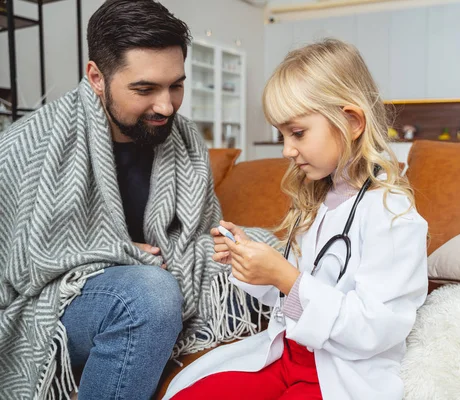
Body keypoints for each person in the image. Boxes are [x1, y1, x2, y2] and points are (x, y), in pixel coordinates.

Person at [0, 1, 276, 399]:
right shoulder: (28, 145)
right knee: (150, 294)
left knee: (277, 258)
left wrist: (235, 247)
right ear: (96, 76)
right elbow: (18, 266)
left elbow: (199, 237)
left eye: (176, 85)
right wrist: (114, 252)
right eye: (145, 89)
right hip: (65, 303)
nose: (166, 106)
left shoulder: (185, 140)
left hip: (161, 278)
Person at [164, 39, 429, 400]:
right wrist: (254, 263)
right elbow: (292, 299)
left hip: (339, 374)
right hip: (288, 356)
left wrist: (286, 277)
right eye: (282, 135)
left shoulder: (392, 214)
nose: (287, 150)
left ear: (351, 121)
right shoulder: (319, 200)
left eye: (298, 133)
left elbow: (376, 327)